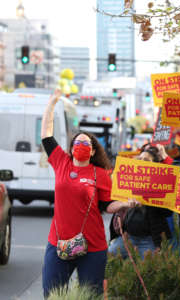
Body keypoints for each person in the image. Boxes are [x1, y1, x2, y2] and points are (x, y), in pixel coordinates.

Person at [41, 90, 134, 297]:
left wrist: (126, 204)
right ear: (72, 148)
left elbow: (107, 205)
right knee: (51, 293)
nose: (81, 146)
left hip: (92, 246)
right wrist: (51, 104)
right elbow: (46, 134)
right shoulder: (61, 162)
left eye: (86, 144)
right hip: (58, 243)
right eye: (78, 143)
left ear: (92, 151)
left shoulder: (100, 174)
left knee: (91, 295)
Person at [108, 146, 173, 259]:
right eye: (140, 159)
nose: (142, 163)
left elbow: (168, 212)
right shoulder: (130, 181)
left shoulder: (161, 186)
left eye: (146, 160)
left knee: (148, 272)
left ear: (155, 166)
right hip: (128, 237)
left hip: (149, 240)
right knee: (110, 256)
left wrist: (151, 199)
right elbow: (114, 203)